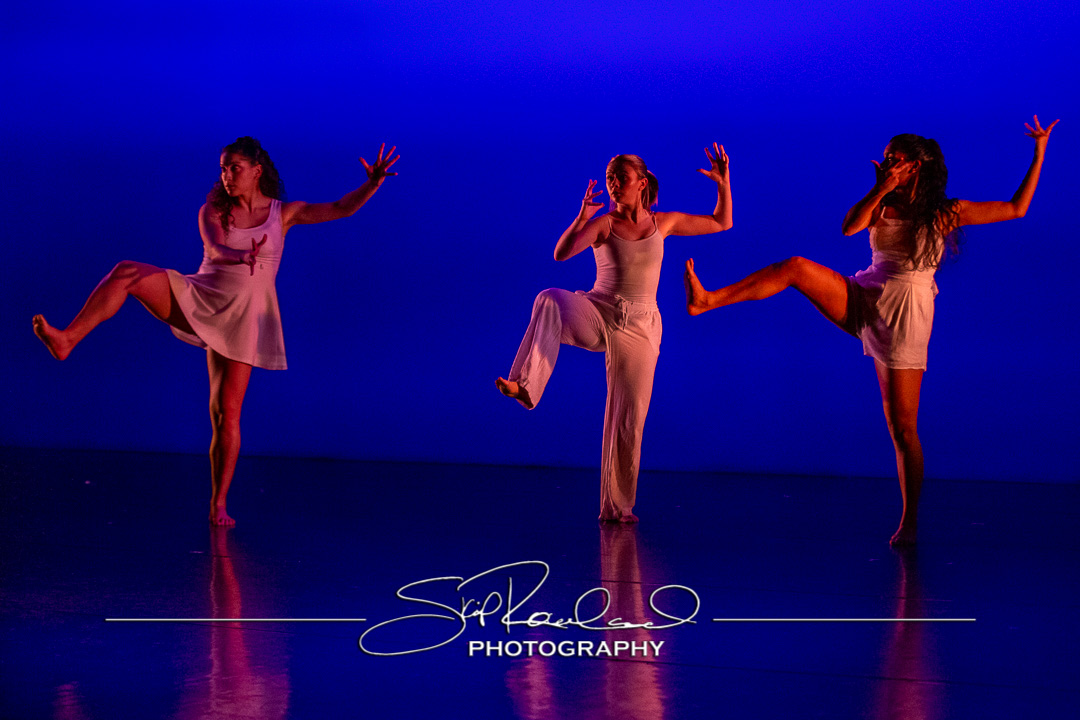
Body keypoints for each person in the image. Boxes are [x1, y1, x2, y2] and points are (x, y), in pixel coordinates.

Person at [684, 116, 1058, 545]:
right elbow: (849, 227)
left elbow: (1016, 208)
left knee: (902, 427)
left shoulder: (945, 212)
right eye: (887, 157)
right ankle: (708, 300)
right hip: (866, 293)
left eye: (896, 158)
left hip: (905, 312)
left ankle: (910, 522)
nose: (888, 163)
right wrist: (880, 188)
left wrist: (1039, 151)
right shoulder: (881, 204)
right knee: (796, 267)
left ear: (917, 164)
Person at [33, 137, 399, 525]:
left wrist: (372, 183)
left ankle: (218, 503)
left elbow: (340, 208)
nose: (227, 176)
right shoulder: (213, 211)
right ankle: (68, 339)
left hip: (244, 319)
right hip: (201, 298)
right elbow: (216, 250)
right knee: (126, 272)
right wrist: (243, 255)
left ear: (256, 171)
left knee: (226, 414)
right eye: (223, 168)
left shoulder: (283, 214)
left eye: (234, 168)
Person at [497, 145, 733, 522]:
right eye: (610, 178)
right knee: (549, 299)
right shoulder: (604, 224)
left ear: (641, 183)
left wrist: (723, 184)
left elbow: (722, 222)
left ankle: (617, 508)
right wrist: (581, 218)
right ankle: (525, 385)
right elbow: (562, 253)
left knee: (628, 419)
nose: (613, 184)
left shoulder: (663, 223)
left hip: (640, 326)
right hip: (597, 311)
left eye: (620, 177)